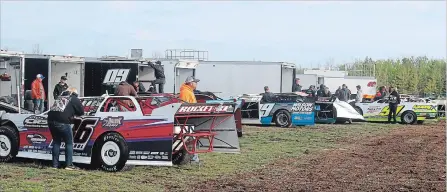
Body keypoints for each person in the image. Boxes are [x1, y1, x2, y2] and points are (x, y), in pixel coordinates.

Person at [47, 87, 84, 170]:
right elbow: (81, 112)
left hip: (50, 120)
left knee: (56, 142)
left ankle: (55, 165)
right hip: (62, 121)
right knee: (69, 142)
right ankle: (69, 165)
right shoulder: (74, 98)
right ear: (75, 93)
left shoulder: (60, 97)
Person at [178, 76, 200, 163]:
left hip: (189, 118)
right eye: (195, 82)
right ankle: (193, 157)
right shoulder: (186, 92)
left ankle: (193, 157)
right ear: (191, 83)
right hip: (188, 118)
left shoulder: (188, 91)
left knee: (192, 137)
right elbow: (185, 107)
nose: (196, 84)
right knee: (191, 137)